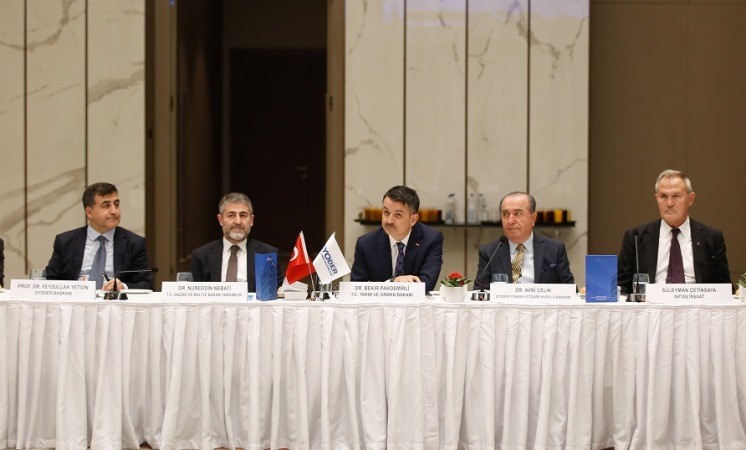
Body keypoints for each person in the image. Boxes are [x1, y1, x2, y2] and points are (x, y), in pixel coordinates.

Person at [617, 169, 730, 294]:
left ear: (690, 199)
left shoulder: (712, 238)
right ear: (657, 199)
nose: (669, 203)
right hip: (651, 304)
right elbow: (621, 287)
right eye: (663, 196)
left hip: (696, 303)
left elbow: (725, 289)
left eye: (676, 196)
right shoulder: (635, 237)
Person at [45, 182, 153, 290]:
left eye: (116, 204)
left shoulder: (134, 244)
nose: (114, 211)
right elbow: (50, 281)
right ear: (89, 212)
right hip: (75, 299)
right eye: (106, 205)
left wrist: (123, 287)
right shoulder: (65, 242)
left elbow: (146, 284)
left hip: (114, 300)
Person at [351, 185, 444, 292]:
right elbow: (356, 287)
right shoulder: (366, 243)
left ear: (413, 220)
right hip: (379, 302)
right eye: (386, 212)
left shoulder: (431, 240)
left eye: (398, 215)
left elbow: (426, 284)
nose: (389, 221)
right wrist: (392, 283)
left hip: (415, 302)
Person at [475, 192, 574, 289]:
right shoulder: (490, 252)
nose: (510, 221)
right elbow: (480, 292)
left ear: (533, 218)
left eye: (517, 213)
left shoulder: (554, 249)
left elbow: (570, 291)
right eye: (505, 214)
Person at [190, 192, 284, 291]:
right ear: (220, 220)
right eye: (231, 215)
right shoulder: (201, 255)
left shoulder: (268, 254)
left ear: (251, 220)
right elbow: (192, 294)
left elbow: (278, 293)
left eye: (243, 215)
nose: (238, 221)